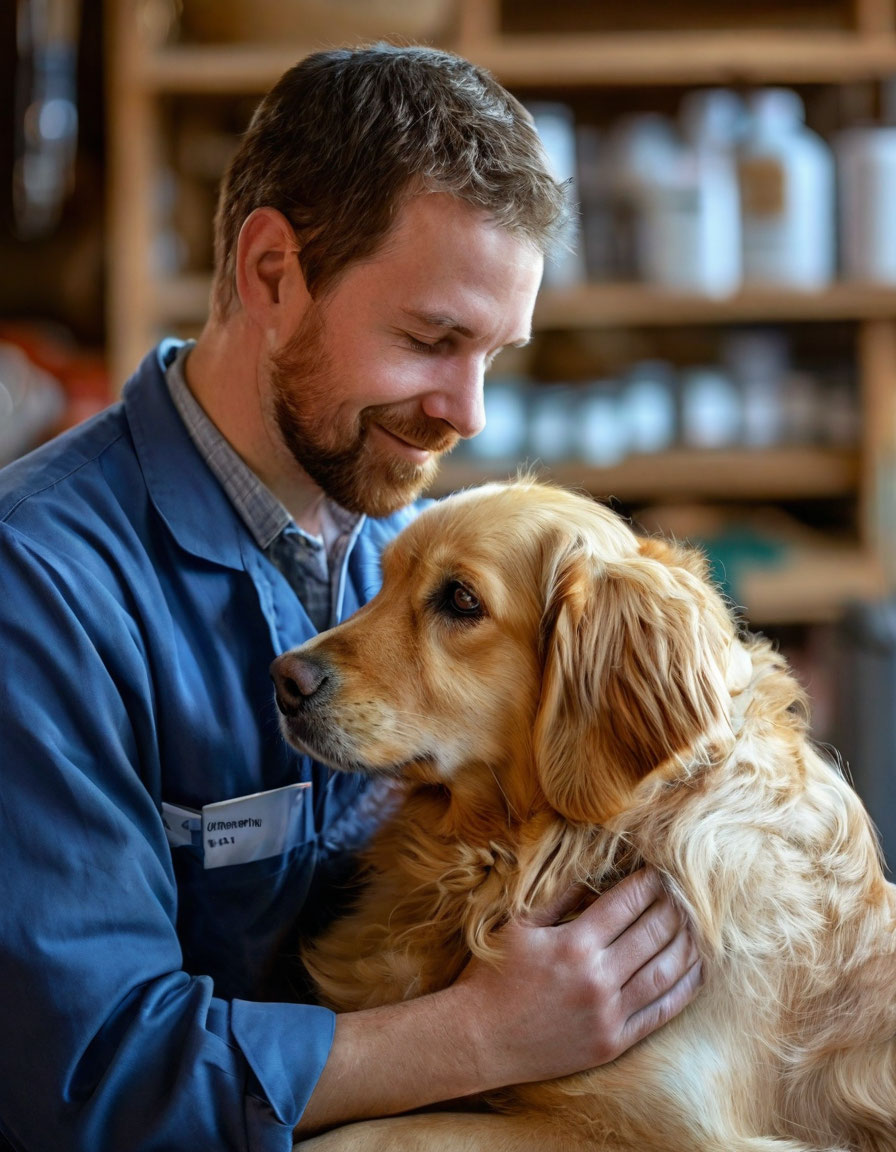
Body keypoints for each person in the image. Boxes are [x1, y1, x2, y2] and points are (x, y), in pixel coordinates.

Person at [0, 44, 702, 1152]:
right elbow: (92, 1076)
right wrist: (485, 1037)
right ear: (272, 273)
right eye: (431, 340)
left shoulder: (406, 538)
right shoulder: (38, 589)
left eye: (493, 355)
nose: (466, 413)